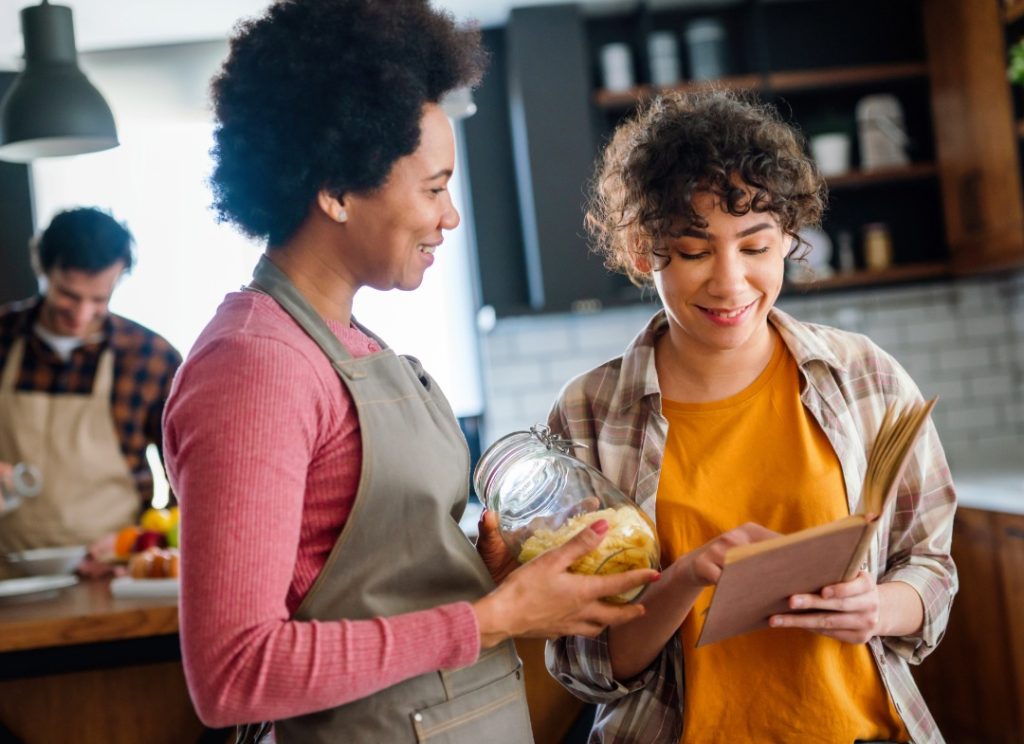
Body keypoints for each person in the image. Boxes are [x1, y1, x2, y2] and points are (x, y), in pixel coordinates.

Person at [160, 2, 656, 742]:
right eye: (433, 187)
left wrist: (481, 576)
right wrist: (490, 618)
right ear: (335, 190)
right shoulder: (255, 367)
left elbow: (366, 586)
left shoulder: (349, 341)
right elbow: (235, 672)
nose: (450, 216)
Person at [545, 90, 957, 744]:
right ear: (644, 250)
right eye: (694, 251)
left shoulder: (864, 377)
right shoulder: (587, 414)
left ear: (789, 239)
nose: (730, 282)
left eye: (756, 247)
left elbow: (931, 566)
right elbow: (587, 663)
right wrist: (686, 579)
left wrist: (878, 608)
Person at [0, 207, 181, 572]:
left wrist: (147, 541)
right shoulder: (3, 337)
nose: (81, 315)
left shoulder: (150, 357)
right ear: (42, 268)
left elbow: (191, 484)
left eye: (99, 300)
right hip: (7, 576)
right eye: (68, 295)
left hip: (113, 572)